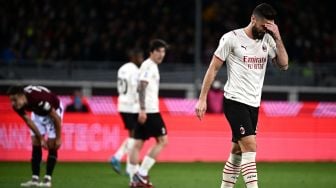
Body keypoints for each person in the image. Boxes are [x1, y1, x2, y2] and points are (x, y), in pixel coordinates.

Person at [195, 3, 288, 188]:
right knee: (250, 146)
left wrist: (277, 37)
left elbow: (284, 65)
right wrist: (202, 98)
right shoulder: (232, 38)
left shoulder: (268, 39)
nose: (266, 29)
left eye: (271, 25)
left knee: (238, 150)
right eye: (264, 25)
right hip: (234, 101)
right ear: (253, 19)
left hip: (254, 104)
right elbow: (213, 68)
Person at [128, 39, 169, 188]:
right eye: (158, 51)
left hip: (140, 109)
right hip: (149, 110)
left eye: (163, 51)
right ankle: (141, 174)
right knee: (163, 141)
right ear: (151, 52)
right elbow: (141, 87)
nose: (161, 54)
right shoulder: (149, 66)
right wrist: (143, 109)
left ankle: (134, 179)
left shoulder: (150, 66)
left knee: (138, 143)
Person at [7, 85, 64, 187]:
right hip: (37, 113)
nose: (13, 103)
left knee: (52, 144)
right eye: (11, 101)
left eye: (15, 100)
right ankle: (35, 179)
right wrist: (41, 139)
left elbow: (55, 117)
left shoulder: (37, 99)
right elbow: (29, 121)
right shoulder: (17, 105)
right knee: (35, 142)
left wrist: (59, 138)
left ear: (22, 96)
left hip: (54, 110)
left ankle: (47, 179)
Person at [110, 49, 144, 177]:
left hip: (122, 104)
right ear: (134, 57)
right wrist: (142, 106)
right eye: (140, 57)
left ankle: (130, 166)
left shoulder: (122, 68)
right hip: (131, 106)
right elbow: (136, 89)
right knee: (135, 137)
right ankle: (119, 158)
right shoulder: (135, 71)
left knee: (133, 135)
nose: (141, 60)